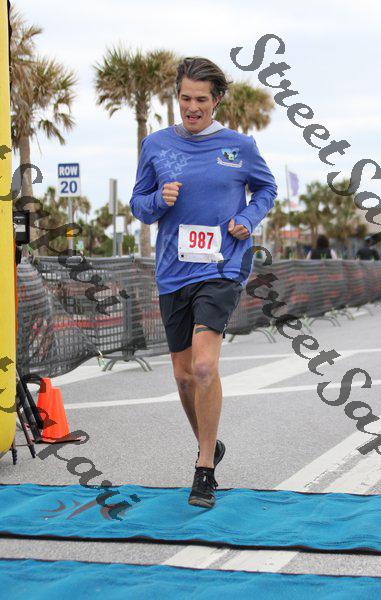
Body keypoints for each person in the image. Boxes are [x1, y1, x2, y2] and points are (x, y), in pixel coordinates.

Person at [130, 57, 277, 508]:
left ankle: (204, 469)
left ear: (216, 101)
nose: (192, 107)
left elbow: (266, 189)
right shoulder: (156, 145)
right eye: (185, 98)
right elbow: (139, 205)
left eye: (200, 100)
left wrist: (247, 219)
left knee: (203, 367)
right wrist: (159, 199)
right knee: (181, 377)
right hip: (173, 271)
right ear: (177, 97)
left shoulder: (239, 146)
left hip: (222, 266)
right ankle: (209, 445)